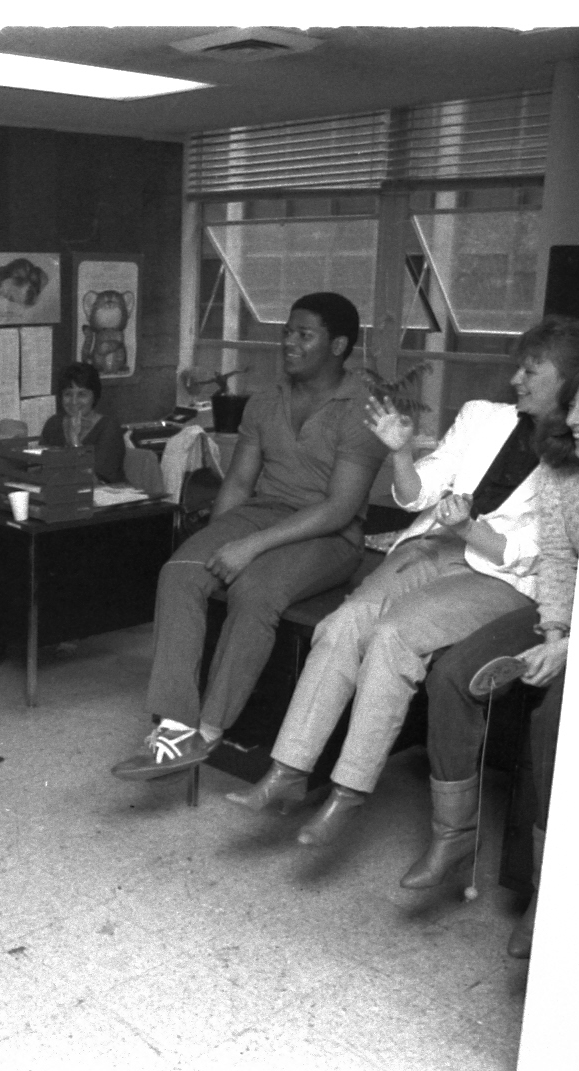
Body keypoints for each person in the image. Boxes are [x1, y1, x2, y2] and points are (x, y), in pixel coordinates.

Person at [228, 316, 579, 847]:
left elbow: (531, 557)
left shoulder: (577, 457)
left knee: (392, 637)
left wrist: (467, 527)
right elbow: (420, 490)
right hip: (429, 546)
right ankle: (287, 772)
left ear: (565, 382)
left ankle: (347, 791)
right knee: (344, 623)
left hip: (497, 576)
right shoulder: (483, 416)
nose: (516, 379)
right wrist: (400, 452)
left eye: (531, 371)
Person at [110, 292, 389, 780]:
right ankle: (174, 730)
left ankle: (209, 730)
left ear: (340, 345)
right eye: (287, 332)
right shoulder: (265, 401)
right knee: (179, 573)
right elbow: (238, 484)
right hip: (261, 513)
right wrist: (215, 542)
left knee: (255, 592)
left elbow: (340, 508)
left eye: (304, 334)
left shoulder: (363, 412)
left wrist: (248, 548)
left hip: (330, 535)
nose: (289, 343)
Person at [405, 361, 579, 959]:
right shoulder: (564, 473)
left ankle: (550, 890)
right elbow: (561, 565)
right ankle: (454, 835)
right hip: (556, 609)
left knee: (549, 722)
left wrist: (568, 647)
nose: (572, 421)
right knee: (452, 675)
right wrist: (555, 627)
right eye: (574, 406)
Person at [38, 361, 125, 485]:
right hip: (62, 495)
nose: (74, 401)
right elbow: (41, 469)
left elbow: (93, 481)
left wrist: (75, 442)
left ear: (94, 396)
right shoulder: (53, 424)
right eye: (68, 394)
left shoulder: (109, 428)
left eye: (82, 394)